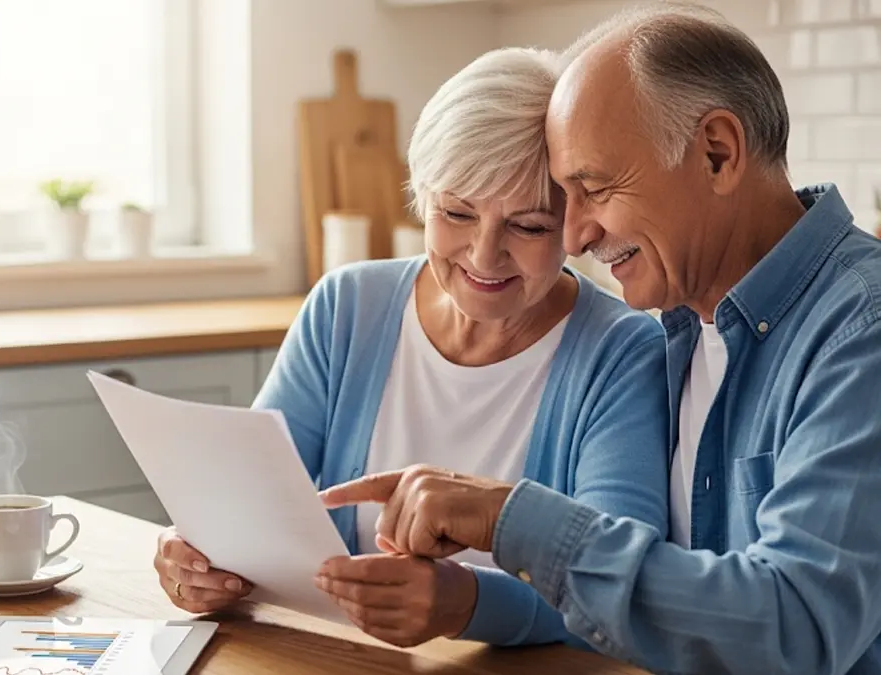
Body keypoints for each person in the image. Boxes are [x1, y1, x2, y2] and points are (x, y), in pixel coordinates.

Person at [321, 3, 881, 674]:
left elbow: (795, 627)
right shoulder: (680, 332)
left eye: (594, 189)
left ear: (717, 153)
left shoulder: (860, 331)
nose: (577, 235)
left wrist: (508, 519)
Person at [152, 46, 670, 650]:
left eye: (528, 226)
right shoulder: (349, 306)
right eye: (455, 213)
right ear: (423, 198)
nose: (483, 256)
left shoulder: (624, 352)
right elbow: (244, 503)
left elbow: (626, 590)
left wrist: (466, 603)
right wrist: (197, 555)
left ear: (578, 225)